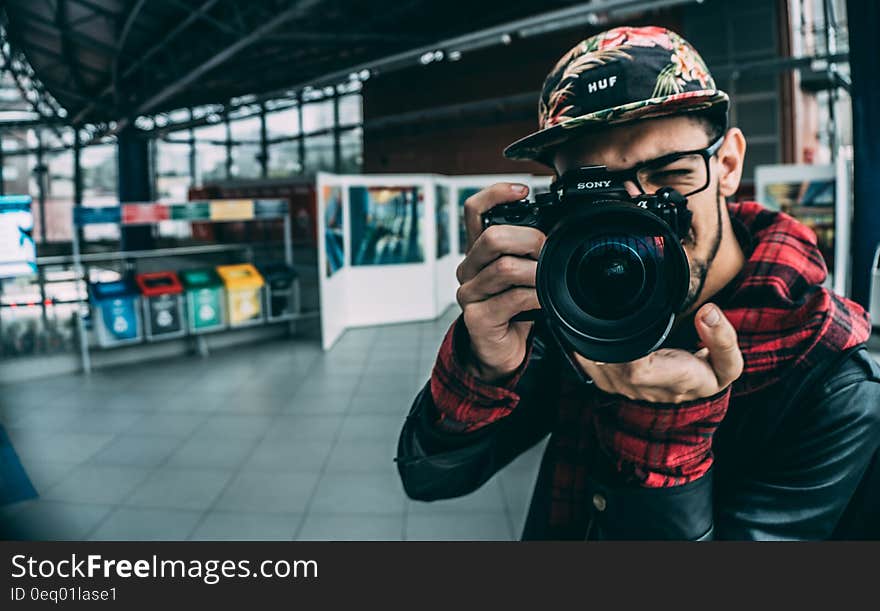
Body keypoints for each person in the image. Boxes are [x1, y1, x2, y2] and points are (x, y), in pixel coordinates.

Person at [395, 26, 880, 540]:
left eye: (670, 177)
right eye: (597, 194)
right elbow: (429, 480)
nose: (636, 222)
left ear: (729, 164)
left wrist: (667, 445)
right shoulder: (574, 301)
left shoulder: (834, 384)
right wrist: (485, 369)